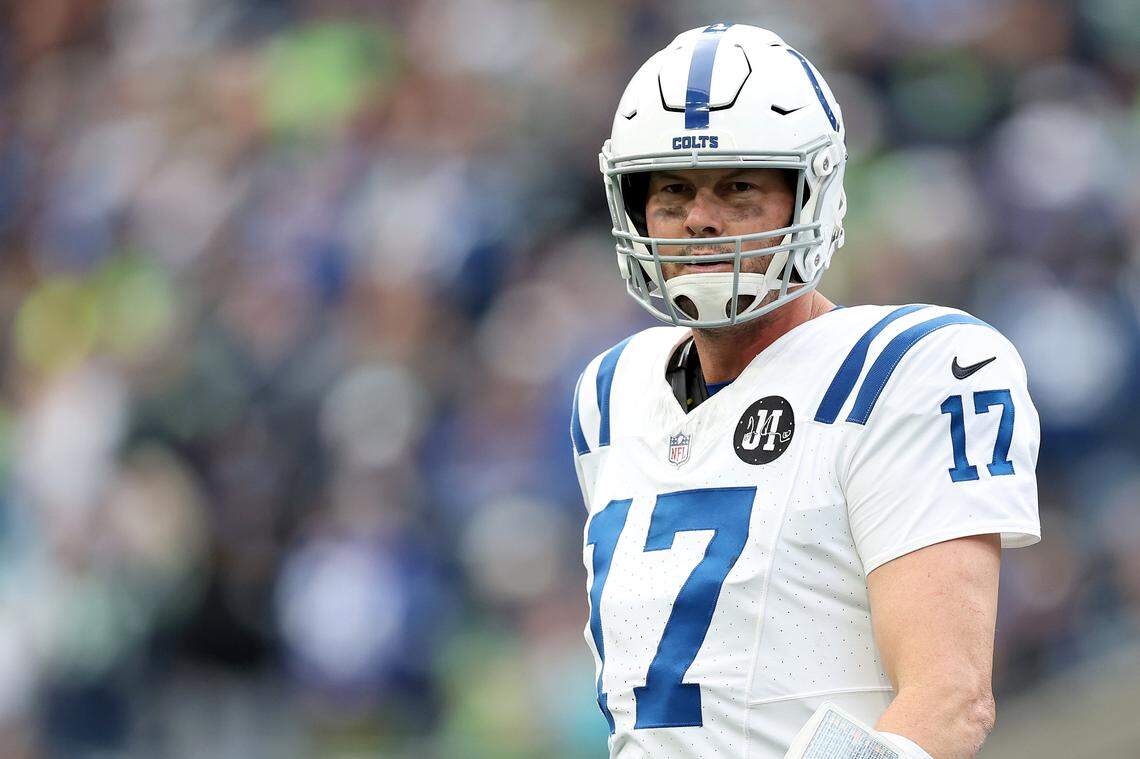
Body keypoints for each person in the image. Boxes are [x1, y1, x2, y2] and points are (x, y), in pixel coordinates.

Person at [570, 23, 1040, 759]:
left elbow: (949, 700)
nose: (699, 218)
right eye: (672, 190)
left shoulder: (907, 368)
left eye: (739, 188)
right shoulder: (609, 394)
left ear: (810, 195)